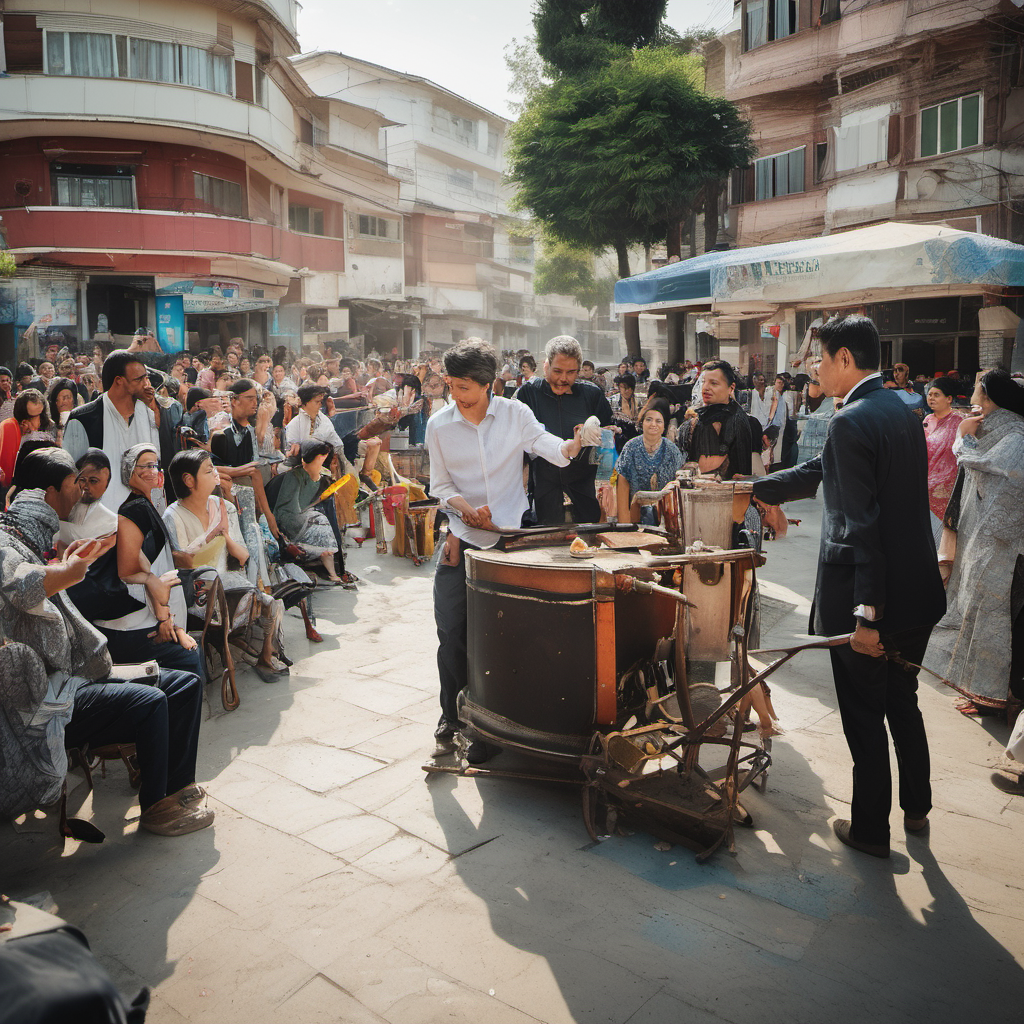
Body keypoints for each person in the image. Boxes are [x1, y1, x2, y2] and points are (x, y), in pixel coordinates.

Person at [753, 314, 946, 859]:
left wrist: (866, 615)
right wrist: (753, 485)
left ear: (844, 359)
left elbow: (862, 529)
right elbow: (822, 469)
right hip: (918, 593)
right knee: (903, 702)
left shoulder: (850, 420)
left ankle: (869, 832)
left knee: (864, 715)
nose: (815, 370)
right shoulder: (900, 410)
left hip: (875, 599)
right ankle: (917, 805)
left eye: (821, 359)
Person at [1, 447, 211, 836]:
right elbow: (20, 585)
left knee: (186, 683)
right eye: (73, 484)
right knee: (152, 699)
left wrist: (67, 564)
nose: (80, 491)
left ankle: (173, 790)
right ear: (49, 493)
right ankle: (156, 808)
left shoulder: (29, 533)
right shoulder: (7, 539)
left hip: (75, 675)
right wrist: (70, 571)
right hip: (51, 695)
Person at [427, 339, 583, 761]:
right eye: (451, 385)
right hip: (461, 538)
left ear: (487, 385)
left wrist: (572, 446)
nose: (455, 395)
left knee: (503, 636)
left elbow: (548, 446)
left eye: (463, 387)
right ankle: (451, 714)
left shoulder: (515, 414)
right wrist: (463, 511)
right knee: (452, 630)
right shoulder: (439, 424)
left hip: (508, 542)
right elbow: (439, 486)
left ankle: (499, 721)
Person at [928, 369, 1024, 716]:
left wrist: (962, 437)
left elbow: (980, 463)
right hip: (984, 541)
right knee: (972, 611)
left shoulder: (1015, 435)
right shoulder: (996, 429)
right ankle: (979, 693)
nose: (972, 396)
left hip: (1006, 547)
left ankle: (993, 697)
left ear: (989, 397)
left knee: (994, 620)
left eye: (977, 389)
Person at [69, 444, 203, 679]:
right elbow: (132, 571)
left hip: (130, 614)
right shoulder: (134, 509)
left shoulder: (140, 505)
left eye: (155, 465)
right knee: (188, 663)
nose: (153, 470)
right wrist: (164, 620)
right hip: (128, 620)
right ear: (130, 471)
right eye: (146, 466)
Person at [163, 449, 288, 683]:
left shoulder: (223, 506)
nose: (216, 475)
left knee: (269, 603)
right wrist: (211, 534)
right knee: (218, 583)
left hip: (229, 583)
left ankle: (265, 656)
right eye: (209, 471)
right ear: (189, 480)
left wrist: (226, 536)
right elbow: (185, 563)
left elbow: (242, 556)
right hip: (197, 591)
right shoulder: (173, 515)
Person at [515, 336, 613, 525]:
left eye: (571, 372)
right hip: (542, 484)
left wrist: (600, 434)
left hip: (584, 485)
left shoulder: (591, 394)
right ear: (546, 366)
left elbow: (608, 440)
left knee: (589, 540)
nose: (563, 379)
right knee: (545, 539)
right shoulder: (528, 393)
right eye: (557, 371)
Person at [63, 350, 159, 512]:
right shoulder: (83, 418)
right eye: (139, 379)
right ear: (119, 381)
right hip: (97, 519)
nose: (146, 385)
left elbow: (157, 467)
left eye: (146, 378)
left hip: (145, 514)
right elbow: (70, 476)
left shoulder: (150, 415)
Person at [271, 439, 344, 583]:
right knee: (320, 518)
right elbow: (290, 507)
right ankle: (325, 560)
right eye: (320, 456)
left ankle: (332, 570)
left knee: (322, 517)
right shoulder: (295, 476)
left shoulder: (322, 476)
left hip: (307, 513)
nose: (322, 459)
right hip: (290, 518)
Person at [676, 360, 752, 479]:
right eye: (703, 382)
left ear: (731, 387)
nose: (706, 388)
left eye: (714, 383)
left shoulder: (734, 419)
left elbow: (742, 474)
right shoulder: (703, 415)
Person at [615, 400, 683, 525]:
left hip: (665, 517)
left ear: (664, 426)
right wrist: (624, 526)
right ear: (642, 423)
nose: (653, 424)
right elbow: (623, 486)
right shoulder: (631, 447)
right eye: (649, 420)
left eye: (658, 421)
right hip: (635, 517)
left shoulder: (672, 450)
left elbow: (678, 486)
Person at [922, 377, 965, 542]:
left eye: (936, 394)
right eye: (930, 394)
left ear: (949, 399)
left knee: (943, 542)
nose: (931, 398)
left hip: (947, 489)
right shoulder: (927, 420)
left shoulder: (959, 422)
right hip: (926, 486)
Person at [0, 389, 50, 488]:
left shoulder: (48, 427)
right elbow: (8, 477)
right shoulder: (9, 427)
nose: (39, 420)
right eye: (33, 417)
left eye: (41, 414)